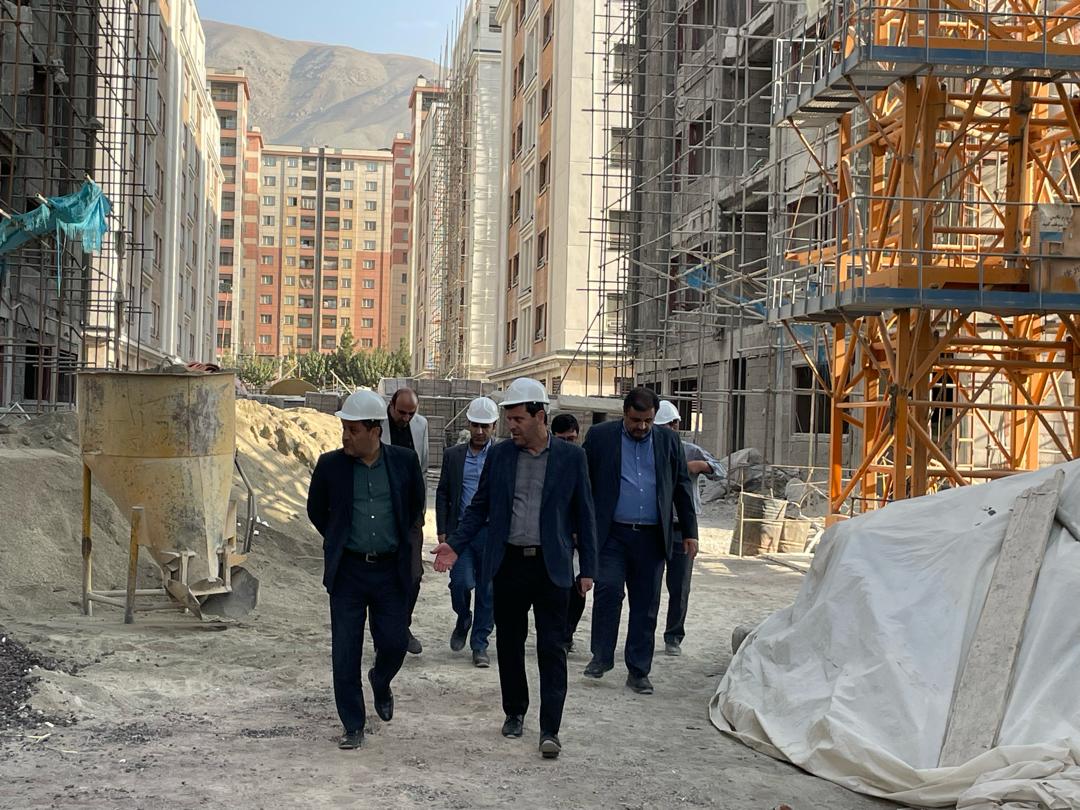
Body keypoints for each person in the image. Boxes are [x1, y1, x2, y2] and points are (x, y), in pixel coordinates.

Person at [433, 378, 598, 759]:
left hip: (552, 567)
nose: (512, 427)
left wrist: (588, 567)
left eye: (518, 419)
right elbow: (479, 507)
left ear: (541, 416)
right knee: (509, 643)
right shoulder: (501, 456)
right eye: (509, 419)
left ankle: (550, 729)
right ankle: (515, 711)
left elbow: (584, 513)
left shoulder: (571, 458)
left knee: (552, 648)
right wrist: (455, 544)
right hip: (508, 564)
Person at [306, 389, 426, 750]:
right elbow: (317, 511)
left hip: (390, 572)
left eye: (353, 430)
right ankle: (353, 724)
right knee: (345, 651)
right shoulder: (330, 466)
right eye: (344, 428)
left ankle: (381, 679)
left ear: (375, 431)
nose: (345, 436)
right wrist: (341, 539)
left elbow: (415, 508)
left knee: (394, 642)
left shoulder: (404, 462)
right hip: (349, 573)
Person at [582, 387, 698, 695]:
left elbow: (681, 486)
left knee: (646, 604)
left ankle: (638, 670)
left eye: (647, 420)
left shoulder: (668, 440)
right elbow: (584, 483)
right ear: (624, 413)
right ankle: (601, 656)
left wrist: (690, 532)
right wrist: (578, 528)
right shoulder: (600, 437)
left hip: (651, 538)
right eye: (635, 420)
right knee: (608, 592)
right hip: (612, 535)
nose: (642, 426)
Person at [654, 400, 725, 656]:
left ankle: (673, 636)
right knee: (649, 586)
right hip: (653, 525)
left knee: (680, 585)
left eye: (669, 426)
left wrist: (699, 466)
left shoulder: (690, 450)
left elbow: (720, 470)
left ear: (675, 426)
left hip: (681, 527)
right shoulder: (646, 450)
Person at [435, 396, 499, 667]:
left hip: (491, 533)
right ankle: (463, 619)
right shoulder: (454, 455)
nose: (480, 431)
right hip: (461, 533)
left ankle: (480, 644)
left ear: (494, 426)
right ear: (468, 424)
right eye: (475, 425)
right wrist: (442, 530)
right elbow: (443, 492)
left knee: (487, 589)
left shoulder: (502, 455)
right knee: (459, 582)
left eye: (485, 426)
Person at [381, 387, 429, 655]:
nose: (406, 418)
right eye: (402, 412)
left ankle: (402, 626)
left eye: (411, 413)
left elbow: (423, 468)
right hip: (382, 511)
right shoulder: (377, 424)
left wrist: (420, 510)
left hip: (411, 513)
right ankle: (385, 634)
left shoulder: (421, 426)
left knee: (413, 575)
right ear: (391, 406)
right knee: (384, 576)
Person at [551, 413, 586, 653]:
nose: (567, 444)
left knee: (578, 590)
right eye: (562, 439)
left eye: (571, 439)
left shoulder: (582, 461)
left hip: (577, 539)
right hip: (552, 537)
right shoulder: (544, 462)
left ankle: (567, 634)